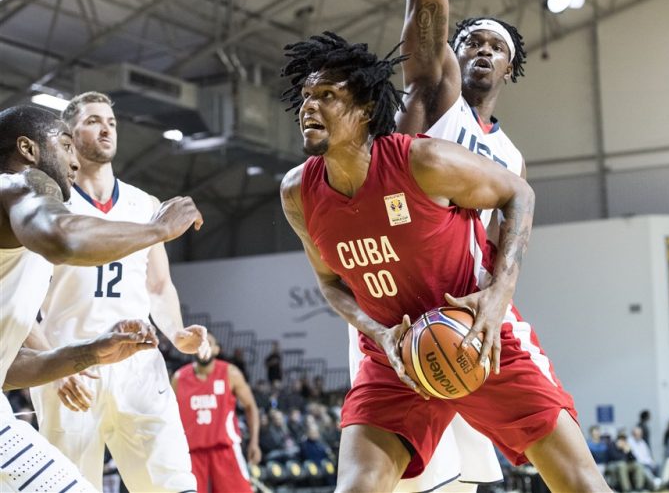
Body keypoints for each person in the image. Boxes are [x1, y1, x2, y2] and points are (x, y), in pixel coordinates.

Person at [279, 32, 608, 492]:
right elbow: (331, 282)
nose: (309, 106)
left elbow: (519, 193)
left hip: (476, 331)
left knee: (581, 485)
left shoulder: (422, 160)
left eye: (328, 96)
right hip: (395, 352)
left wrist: (498, 295)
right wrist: (379, 334)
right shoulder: (298, 193)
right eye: (306, 96)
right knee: (356, 487)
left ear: (366, 110)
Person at [347, 0, 529, 489]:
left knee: (469, 478)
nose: (483, 52)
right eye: (472, 42)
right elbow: (425, 28)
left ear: (509, 68)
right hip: (398, 302)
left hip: (458, 313)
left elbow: (498, 244)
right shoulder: (435, 99)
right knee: (411, 475)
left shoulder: (511, 157)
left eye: (496, 48)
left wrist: (496, 299)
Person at [0, 104, 202, 491]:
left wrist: (89, 353)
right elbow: (63, 238)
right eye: (64, 144)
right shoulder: (19, 183)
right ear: (28, 149)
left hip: (117, 368)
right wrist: (158, 230)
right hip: (67, 368)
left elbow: (5, 368)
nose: (72, 161)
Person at [172, 331, 261, 493]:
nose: (203, 347)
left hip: (224, 451)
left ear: (216, 349)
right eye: (199, 343)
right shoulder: (179, 378)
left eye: (208, 343)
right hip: (191, 454)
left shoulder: (230, 373)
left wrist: (254, 442)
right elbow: (168, 418)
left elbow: (251, 406)